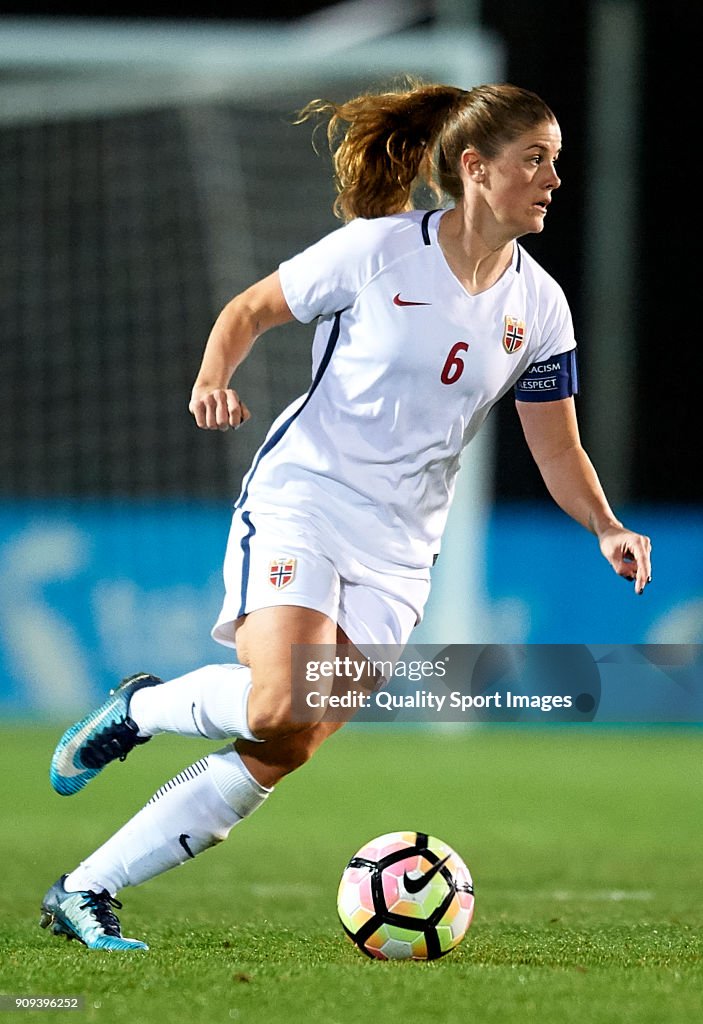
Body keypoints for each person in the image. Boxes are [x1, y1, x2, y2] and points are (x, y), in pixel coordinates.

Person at [40, 80, 652, 951]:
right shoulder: (376, 251)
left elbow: (558, 450)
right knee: (280, 695)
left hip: (402, 551)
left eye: (556, 160)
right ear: (475, 167)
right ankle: (139, 713)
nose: (553, 177)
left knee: (285, 742)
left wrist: (605, 526)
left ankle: (83, 890)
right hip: (308, 499)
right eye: (536, 159)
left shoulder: (539, 307)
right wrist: (213, 379)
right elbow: (249, 309)